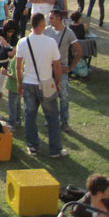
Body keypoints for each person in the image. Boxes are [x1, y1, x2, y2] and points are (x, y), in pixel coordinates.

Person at [16, 13, 67, 158]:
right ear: (40, 24)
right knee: (52, 117)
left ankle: (32, 147)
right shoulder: (50, 42)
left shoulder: (22, 42)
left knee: (30, 116)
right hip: (46, 83)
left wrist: (20, 83)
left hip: (28, 83)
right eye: (44, 22)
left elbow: (19, 67)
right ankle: (55, 150)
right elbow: (57, 66)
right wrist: (57, 82)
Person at [44, 9, 81, 132]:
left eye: (52, 18)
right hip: (48, 69)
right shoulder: (46, 31)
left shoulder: (69, 33)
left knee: (64, 96)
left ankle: (64, 121)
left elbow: (79, 52)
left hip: (62, 67)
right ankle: (50, 119)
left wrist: (71, 68)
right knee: (49, 96)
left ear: (59, 18)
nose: (49, 20)